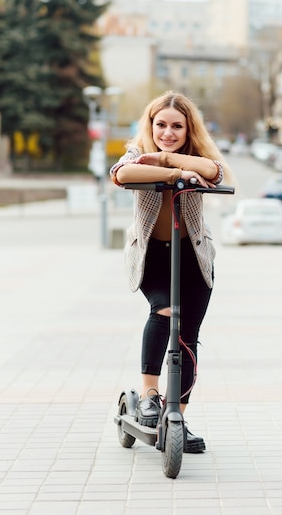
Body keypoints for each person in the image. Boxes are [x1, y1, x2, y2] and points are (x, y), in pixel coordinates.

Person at [110, 90, 231, 453]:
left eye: (176, 126)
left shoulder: (198, 156)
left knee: (188, 337)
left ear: (188, 128)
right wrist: (175, 170)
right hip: (154, 257)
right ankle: (149, 395)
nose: (167, 132)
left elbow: (215, 170)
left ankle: (176, 415)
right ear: (150, 125)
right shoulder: (137, 154)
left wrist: (169, 158)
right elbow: (122, 173)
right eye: (160, 125)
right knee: (164, 311)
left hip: (192, 256)